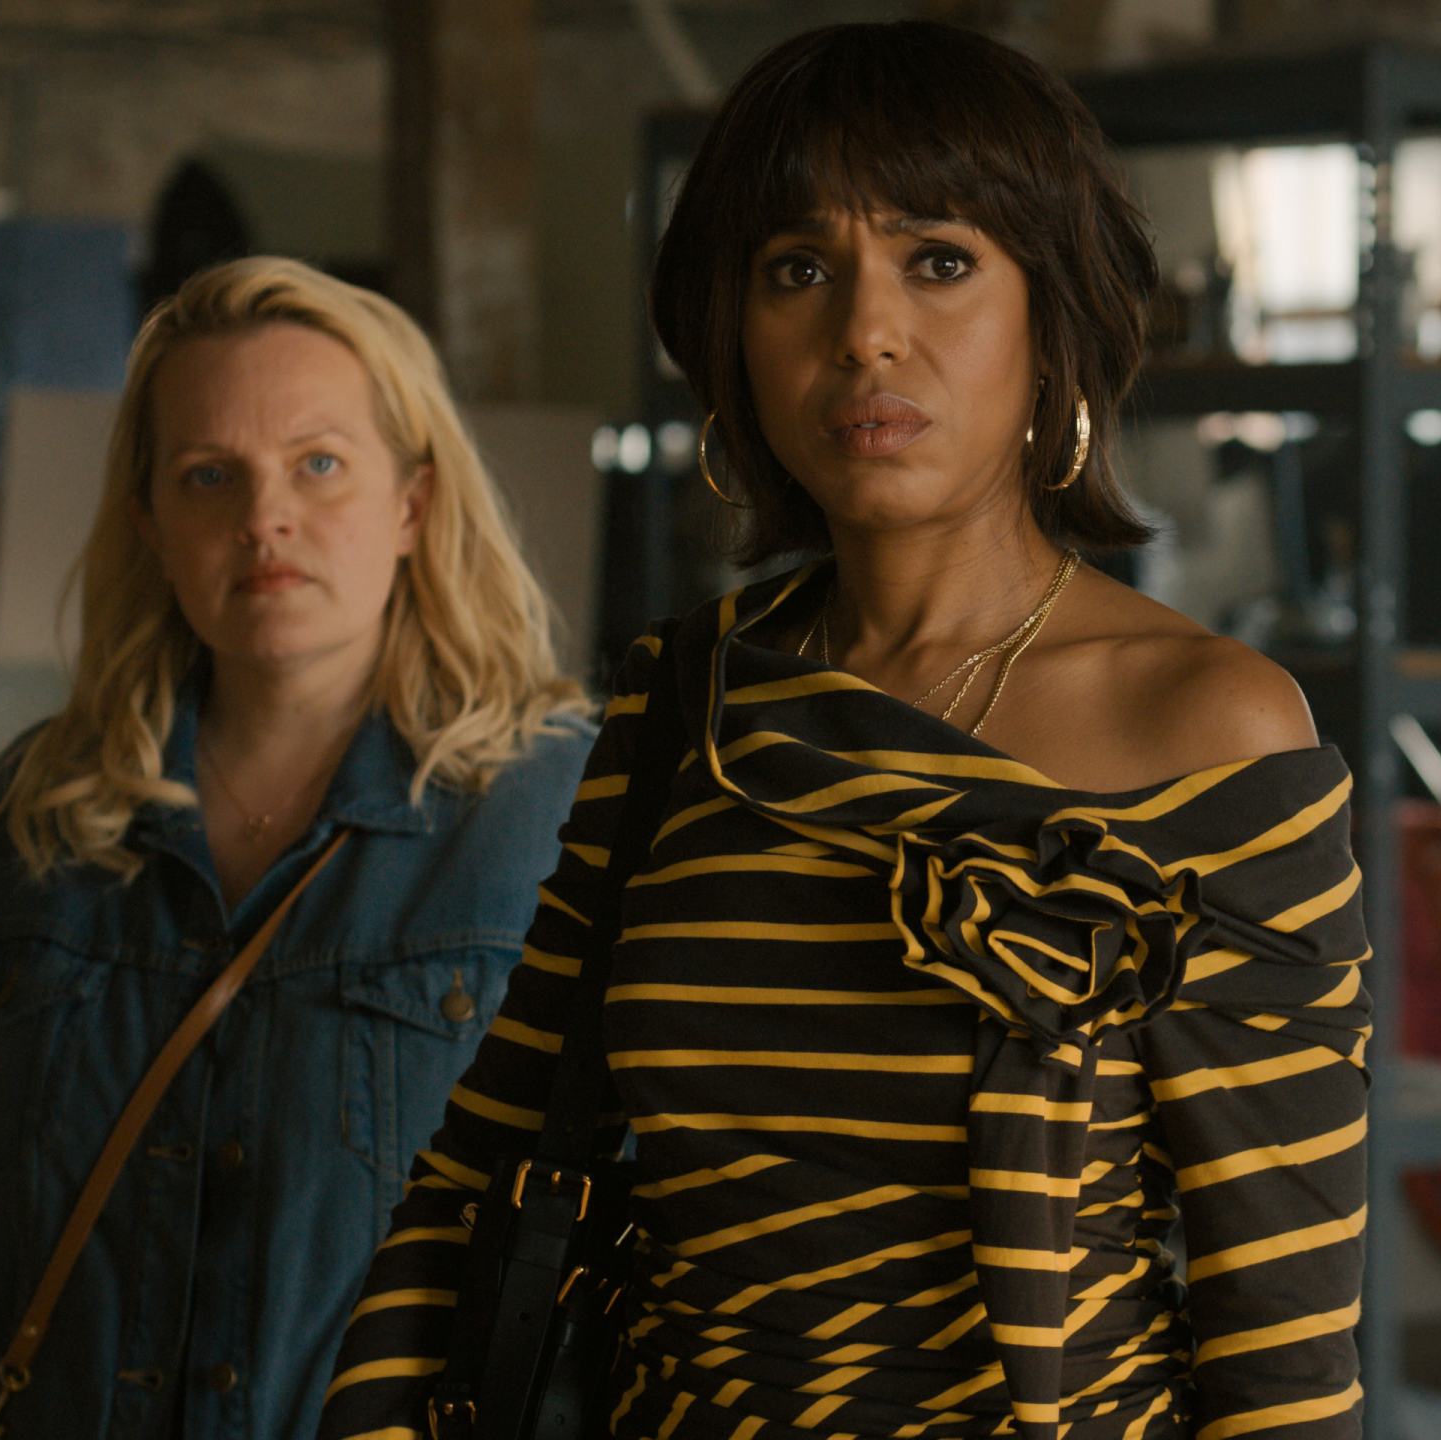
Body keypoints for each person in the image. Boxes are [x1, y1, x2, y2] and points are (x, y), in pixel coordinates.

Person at [324, 21, 1371, 1440]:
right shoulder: (683, 705)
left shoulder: (1211, 728)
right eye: (799, 270)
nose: (865, 332)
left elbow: (1283, 1348)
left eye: (938, 260)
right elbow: (480, 1175)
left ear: (1049, 314)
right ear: (735, 336)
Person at [0, 257, 594, 1439]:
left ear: (413, 504)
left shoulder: (564, 821)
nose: (264, 518)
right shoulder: (22, 831)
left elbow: (666, 1266)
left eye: (319, 463)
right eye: (210, 475)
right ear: (151, 523)